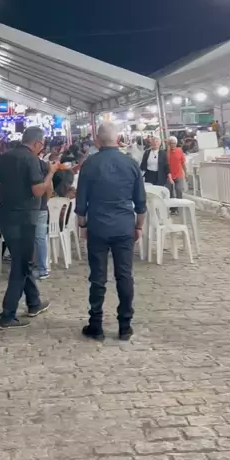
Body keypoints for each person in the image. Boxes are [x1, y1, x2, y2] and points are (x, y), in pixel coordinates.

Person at [76, 122, 146, 342]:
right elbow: (141, 203)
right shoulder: (131, 164)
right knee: (124, 275)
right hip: (124, 226)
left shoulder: (89, 164)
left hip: (97, 226)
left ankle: (96, 325)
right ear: (118, 139)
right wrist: (138, 227)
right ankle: (125, 325)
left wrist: (83, 226)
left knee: (97, 277)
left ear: (97, 140)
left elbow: (81, 202)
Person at [0, 126, 58, 330]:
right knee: (20, 266)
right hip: (25, 218)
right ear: (37, 143)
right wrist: (51, 173)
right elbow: (38, 190)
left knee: (22, 261)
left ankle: (34, 302)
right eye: (42, 145)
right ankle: (7, 314)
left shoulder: (4, 157)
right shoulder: (32, 160)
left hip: (6, 215)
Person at [34, 152, 53, 279]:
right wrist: (45, 200)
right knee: (40, 238)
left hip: (26, 207)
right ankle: (42, 269)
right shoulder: (44, 166)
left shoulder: (21, 164)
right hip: (41, 206)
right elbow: (49, 187)